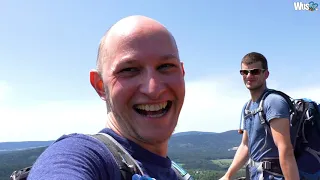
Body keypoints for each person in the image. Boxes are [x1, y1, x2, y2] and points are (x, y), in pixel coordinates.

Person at [27, 15, 187, 180]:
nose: (153, 89)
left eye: (166, 66)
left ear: (182, 73)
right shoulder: (83, 156)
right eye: (129, 69)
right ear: (100, 85)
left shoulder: (173, 172)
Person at [220, 52, 300, 180]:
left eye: (255, 72)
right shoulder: (248, 107)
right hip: (256, 175)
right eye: (244, 72)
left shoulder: (273, 102)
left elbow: (285, 150)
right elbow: (245, 146)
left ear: (266, 74)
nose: (249, 76)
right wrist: (228, 175)